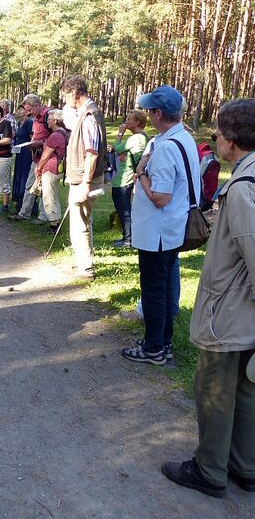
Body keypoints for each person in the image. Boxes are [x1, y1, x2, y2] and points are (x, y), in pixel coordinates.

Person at [162, 98, 255, 497]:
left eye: (218, 130)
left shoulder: (242, 190)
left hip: (230, 315)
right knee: (246, 390)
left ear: (231, 139)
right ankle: (244, 466)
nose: (214, 136)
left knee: (215, 390)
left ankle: (210, 470)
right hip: (242, 315)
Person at [121, 85, 200, 365]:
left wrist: (141, 173)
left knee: (154, 289)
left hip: (159, 231)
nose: (148, 115)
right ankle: (162, 343)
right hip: (171, 229)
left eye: (149, 111)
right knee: (164, 287)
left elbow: (160, 197)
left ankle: (153, 347)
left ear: (157, 113)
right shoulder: (183, 138)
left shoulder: (166, 147)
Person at [61, 75, 108, 280]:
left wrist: (86, 184)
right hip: (82, 177)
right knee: (81, 221)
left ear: (74, 93)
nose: (64, 100)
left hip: (84, 178)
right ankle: (83, 262)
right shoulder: (88, 112)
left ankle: (86, 268)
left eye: (65, 95)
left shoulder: (89, 115)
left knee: (80, 223)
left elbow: (92, 152)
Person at [8, 93, 49, 223]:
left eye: (30, 110)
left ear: (37, 105)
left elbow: (57, 136)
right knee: (29, 185)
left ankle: (43, 217)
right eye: (26, 110)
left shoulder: (48, 116)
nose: (28, 113)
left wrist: (41, 143)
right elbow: (35, 135)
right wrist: (32, 143)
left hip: (47, 157)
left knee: (43, 188)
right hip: (36, 156)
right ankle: (24, 212)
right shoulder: (35, 118)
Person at [111, 110, 148, 247]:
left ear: (137, 122)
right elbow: (118, 149)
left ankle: (128, 239)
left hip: (124, 178)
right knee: (123, 208)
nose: (126, 121)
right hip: (125, 177)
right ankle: (127, 236)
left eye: (129, 119)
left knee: (124, 209)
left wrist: (120, 134)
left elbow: (117, 147)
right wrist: (119, 151)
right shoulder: (141, 137)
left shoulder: (137, 138)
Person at [35, 109, 69, 233]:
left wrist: (38, 168)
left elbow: (45, 155)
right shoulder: (65, 133)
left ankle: (54, 225)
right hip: (59, 167)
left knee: (49, 196)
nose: (47, 122)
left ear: (55, 121)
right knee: (53, 195)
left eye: (49, 119)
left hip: (51, 168)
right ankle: (56, 221)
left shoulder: (55, 135)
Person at [11, 105, 34, 213]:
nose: (19, 111)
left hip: (27, 153)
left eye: (22, 109)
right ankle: (19, 201)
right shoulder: (20, 123)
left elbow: (32, 139)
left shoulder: (29, 122)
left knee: (25, 177)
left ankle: (28, 205)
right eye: (19, 109)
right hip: (19, 153)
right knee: (18, 176)